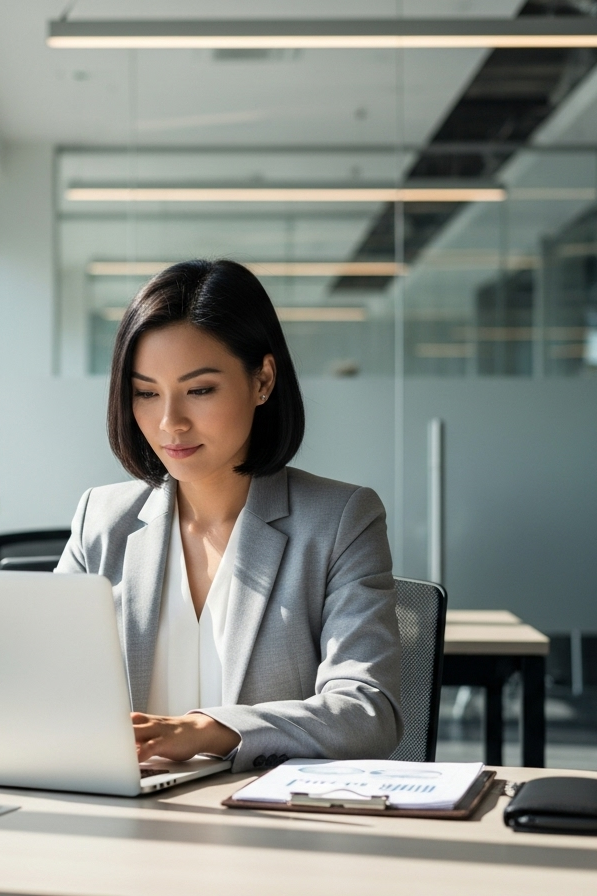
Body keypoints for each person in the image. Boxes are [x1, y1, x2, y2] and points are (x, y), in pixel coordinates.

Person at [55, 259, 402, 774]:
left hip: (263, 830)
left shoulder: (338, 521)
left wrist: (211, 729)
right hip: (122, 818)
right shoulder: (101, 521)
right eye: (146, 393)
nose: (170, 422)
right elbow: (42, 684)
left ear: (262, 380)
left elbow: (367, 710)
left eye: (199, 390)